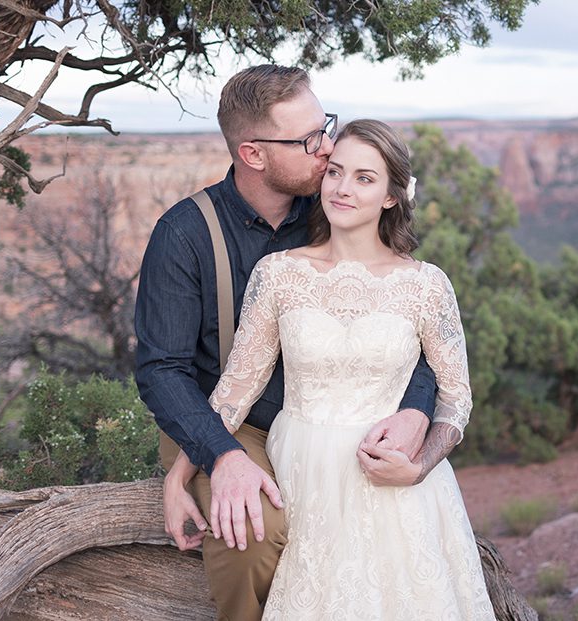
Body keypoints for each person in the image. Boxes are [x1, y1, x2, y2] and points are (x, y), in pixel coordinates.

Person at [134, 65, 440, 620]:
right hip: (231, 422)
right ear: (253, 154)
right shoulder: (184, 235)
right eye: (307, 140)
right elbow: (163, 370)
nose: (327, 151)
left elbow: (414, 322)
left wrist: (418, 412)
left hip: (345, 422)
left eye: (324, 126)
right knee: (251, 528)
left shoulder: (339, 209)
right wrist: (217, 458)